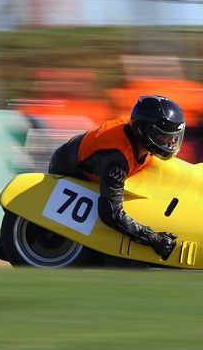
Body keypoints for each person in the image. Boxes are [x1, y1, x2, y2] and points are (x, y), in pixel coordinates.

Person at [48, 94, 185, 258]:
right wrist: (152, 238)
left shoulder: (136, 131)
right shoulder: (116, 161)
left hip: (84, 151)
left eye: (174, 136)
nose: (171, 141)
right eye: (165, 135)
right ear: (145, 131)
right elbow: (110, 213)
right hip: (70, 172)